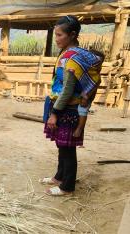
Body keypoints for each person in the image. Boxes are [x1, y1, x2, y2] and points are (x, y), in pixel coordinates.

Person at [40, 15, 102, 196]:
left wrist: (55, 113)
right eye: (56, 35)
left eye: (60, 35)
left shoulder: (71, 57)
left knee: (68, 149)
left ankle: (67, 186)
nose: (57, 39)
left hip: (68, 109)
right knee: (62, 145)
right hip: (65, 106)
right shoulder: (69, 54)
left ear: (72, 34)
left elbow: (67, 90)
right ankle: (59, 177)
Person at [73, 50, 104, 138]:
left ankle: (79, 128)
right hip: (81, 95)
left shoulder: (96, 75)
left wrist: (86, 98)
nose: (98, 65)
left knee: (82, 110)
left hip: (87, 97)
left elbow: (94, 86)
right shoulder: (85, 70)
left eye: (100, 63)